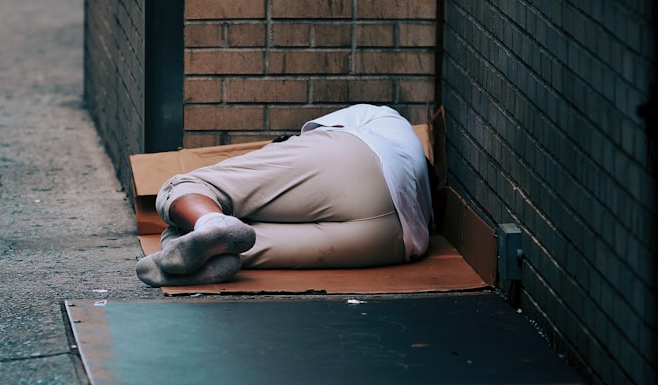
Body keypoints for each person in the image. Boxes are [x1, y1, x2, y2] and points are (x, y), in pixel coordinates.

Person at [136, 104, 435, 287]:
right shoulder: (424, 202)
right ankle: (205, 261)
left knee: (187, 185)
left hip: (355, 161)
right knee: (218, 242)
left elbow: (293, 144)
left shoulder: (378, 117)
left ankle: (211, 221)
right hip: (394, 242)